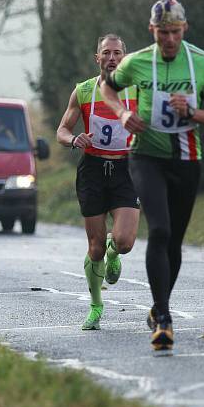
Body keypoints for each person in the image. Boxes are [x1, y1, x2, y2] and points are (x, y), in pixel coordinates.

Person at [100, 0, 204, 350]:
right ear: (151, 31)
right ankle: (166, 320)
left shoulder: (203, 64)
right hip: (146, 157)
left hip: (187, 160)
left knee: (174, 242)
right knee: (159, 229)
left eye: (174, 32)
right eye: (162, 33)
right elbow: (107, 87)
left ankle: (158, 307)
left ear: (184, 29)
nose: (168, 39)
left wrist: (193, 112)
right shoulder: (137, 61)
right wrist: (122, 114)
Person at [56, 34, 141, 331]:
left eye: (117, 52)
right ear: (98, 58)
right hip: (92, 169)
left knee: (125, 242)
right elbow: (62, 129)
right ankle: (95, 305)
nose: (112, 57)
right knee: (94, 249)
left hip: (125, 170)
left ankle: (114, 251)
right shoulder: (83, 91)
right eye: (106, 52)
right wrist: (74, 139)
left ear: (124, 58)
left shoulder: (136, 89)